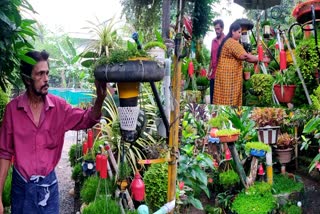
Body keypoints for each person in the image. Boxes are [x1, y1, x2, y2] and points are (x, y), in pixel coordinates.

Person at [0, 50, 107, 213]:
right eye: (40, 74)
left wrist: (99, 100)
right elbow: (5, 153)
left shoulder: (59, 108)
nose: (46, 79)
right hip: (21, 189)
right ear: (27, 79)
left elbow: (87, 119)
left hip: (48, 188)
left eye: (47, 73)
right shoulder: (12, 110)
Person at [213, 21, 269, 106]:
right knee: (228, 100)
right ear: (233, 31)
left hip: (225, 75)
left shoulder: (229, 41)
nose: (240, 35)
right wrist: (262, 59)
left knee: (223, 99)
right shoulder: (232, 42)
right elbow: (245, 57)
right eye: (239, 32)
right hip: (228, 77)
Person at [208, 19, 225, 104]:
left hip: (223, 75)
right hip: (214, 75)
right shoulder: (213, 41)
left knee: (221, 100)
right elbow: (211, 57)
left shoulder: (227, 40)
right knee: (212, 100)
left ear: (222, 29)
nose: (216, 31)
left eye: (218, 29)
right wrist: (208, 72)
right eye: (215, 29)